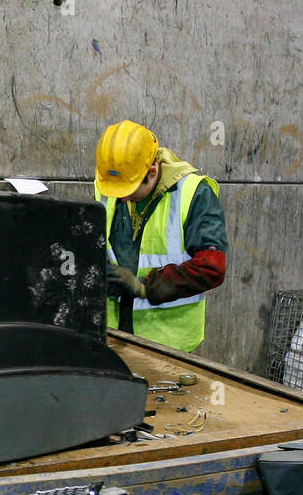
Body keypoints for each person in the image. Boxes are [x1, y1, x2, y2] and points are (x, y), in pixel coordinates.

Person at [93, 120, 228, 352]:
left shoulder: (194, 194)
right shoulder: (113, 184)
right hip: (113, 335)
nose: (122, 198)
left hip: (167, 343)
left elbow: (211, 267)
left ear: (152, 171)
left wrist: (146, 287)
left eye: (129, 190)